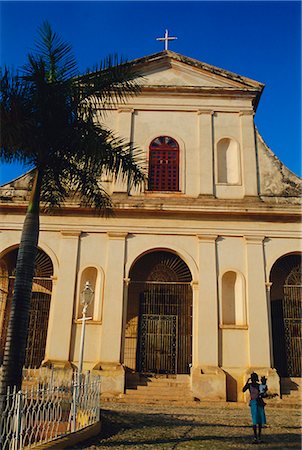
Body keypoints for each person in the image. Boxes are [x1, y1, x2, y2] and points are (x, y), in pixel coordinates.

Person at [243, 372, 267, 443]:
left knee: (259, 420)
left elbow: (263, 394)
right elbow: (243, 390)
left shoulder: (259, 385)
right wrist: (247, 382)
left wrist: (264, 388)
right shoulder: (250, 385)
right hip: (254, 403)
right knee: (255, 420)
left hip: (258, 402)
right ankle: (256, 437)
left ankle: (258, 437)